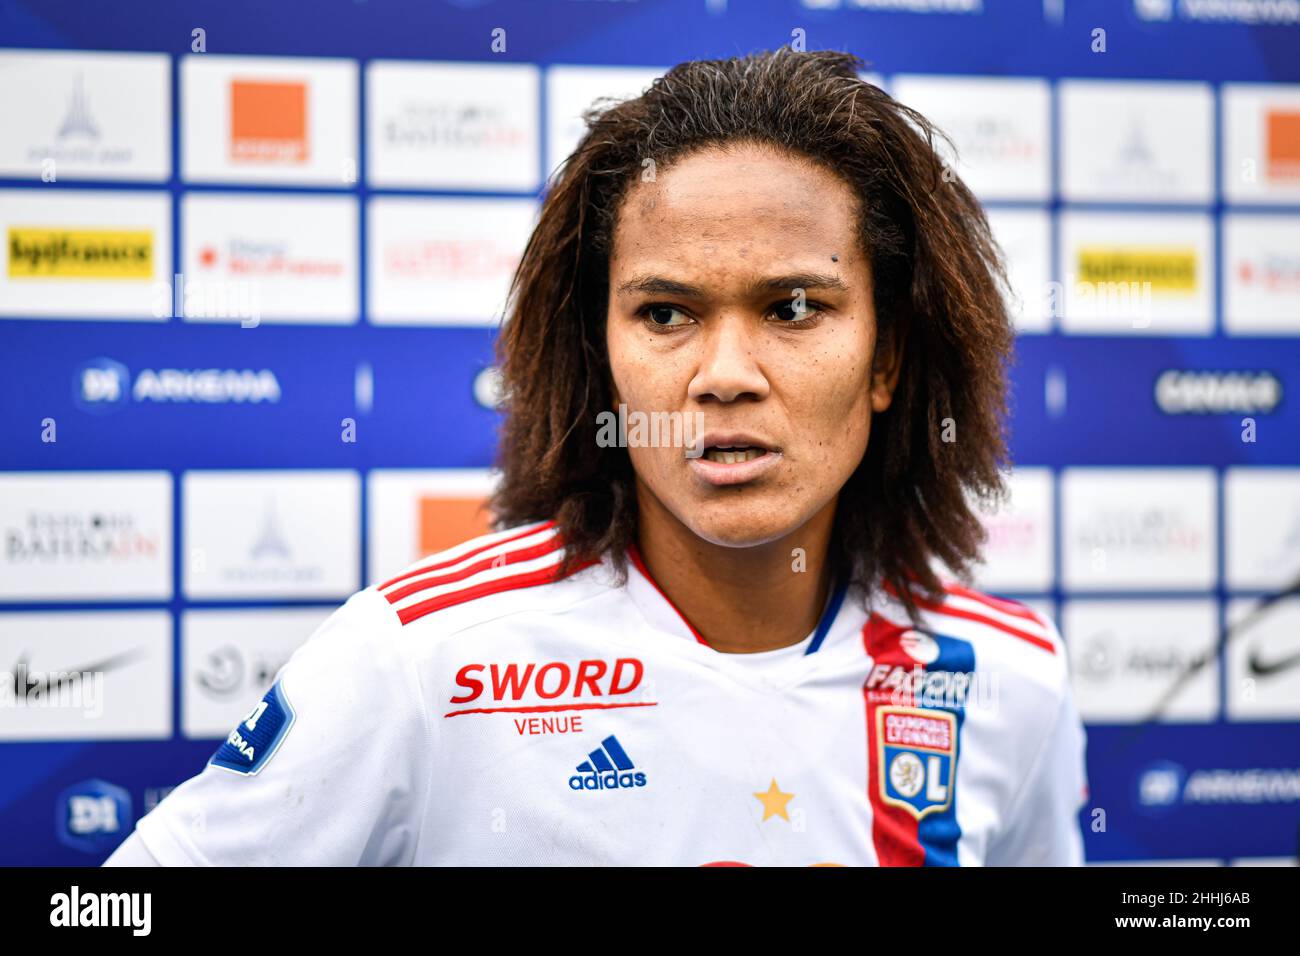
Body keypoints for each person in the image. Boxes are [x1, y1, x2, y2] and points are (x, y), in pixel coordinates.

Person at [105, 47, 1087, 867]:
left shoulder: (1007, 678)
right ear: (600, 352)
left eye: (792, 308)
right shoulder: (423, 657)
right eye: (666, 313)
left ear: (888, 359)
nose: (723, 374)